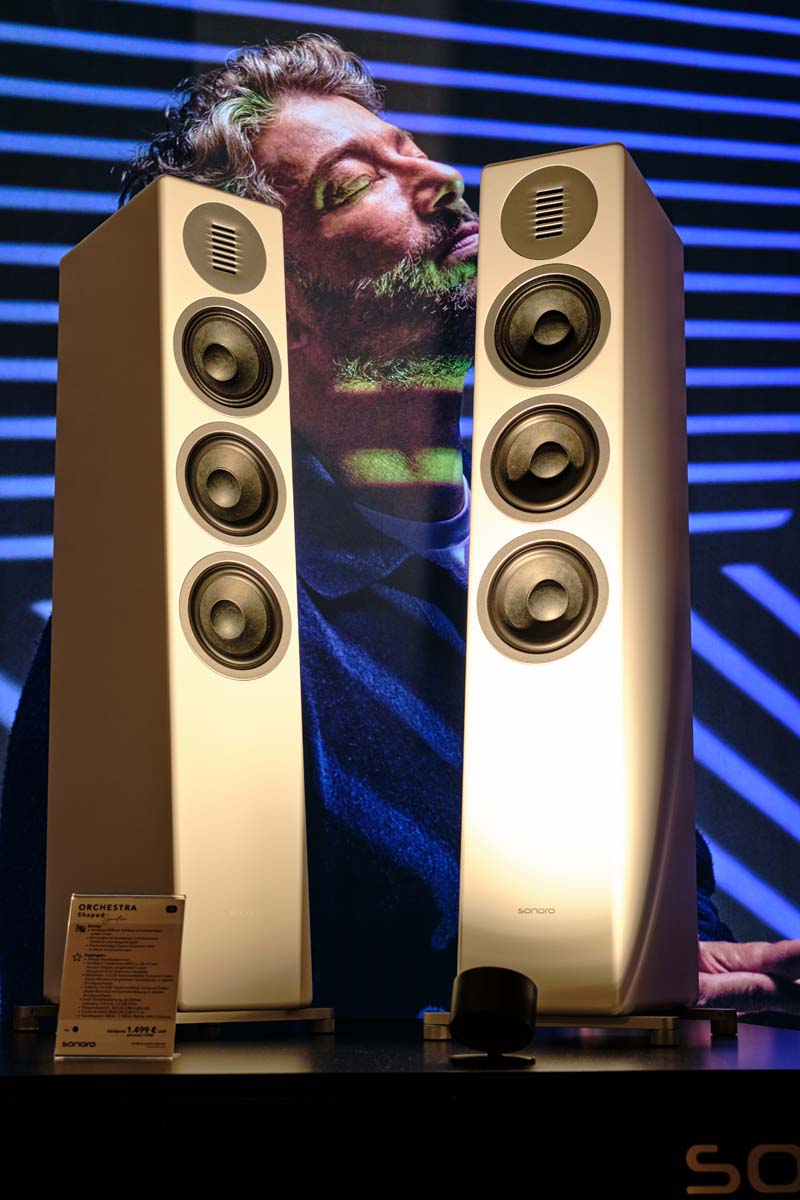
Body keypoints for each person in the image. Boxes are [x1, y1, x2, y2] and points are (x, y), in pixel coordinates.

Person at [2, 34, 797, 1017]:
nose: (442, 182)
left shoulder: (560, 571)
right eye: (355, 180)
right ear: (268, 308)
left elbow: (664, 892)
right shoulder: (194, 621)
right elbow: (101, 990)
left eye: (412, 148)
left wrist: (672, 951)